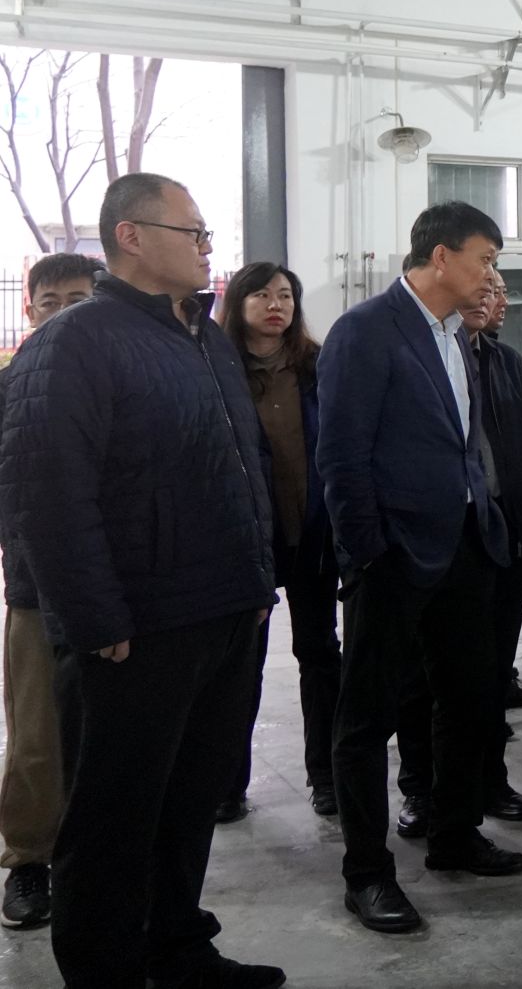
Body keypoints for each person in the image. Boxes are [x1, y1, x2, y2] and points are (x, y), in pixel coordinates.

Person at [0, 174, 282, 986]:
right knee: (113, 820)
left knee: (188, 801)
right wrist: (94, 618)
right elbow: (46, 494)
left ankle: (177, 948)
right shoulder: (74, 341)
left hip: (222, 609)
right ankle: (106, 970)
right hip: (137, 628)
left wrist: (257, 582)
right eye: (193, 231)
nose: (206, 247)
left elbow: (242, 466)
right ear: (130, 235)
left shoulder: (205, 337)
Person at [321, 201, 522, 934]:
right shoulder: (365, 331)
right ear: (441, 257)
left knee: (469, 699)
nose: (491, 275)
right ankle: (367, 873)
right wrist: (368, 552)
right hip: (393, 556)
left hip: (465, 547)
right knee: (368, 717)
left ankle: (454, 835)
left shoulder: (456, 334)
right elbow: (342, 456)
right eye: (484, 258)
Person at [394, 268, 522, 830]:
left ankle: (489, 781)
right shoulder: (422, 357)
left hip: (505, 535)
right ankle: (420, 788)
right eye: (480, 285)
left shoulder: (507, 362)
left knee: (492, 670)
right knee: (425, 676)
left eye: (497, 290)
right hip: (444, 539)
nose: (488, 297)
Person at [219, 262, 339, 825]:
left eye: (286, 295)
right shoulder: (217, 369)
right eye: (263, 295)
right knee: (241, 665)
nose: (276, 305)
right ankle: (227, 784)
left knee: (320, 654)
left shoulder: (317, 366)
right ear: (239, 303)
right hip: (248, 542)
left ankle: (326, 776)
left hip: (312, 533)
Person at [0, 252, 98, 933]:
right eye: (50, 301)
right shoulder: (9, 386)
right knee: (37, 736)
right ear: (29, 308)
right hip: (36, 590)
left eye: (78, 300)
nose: (63, 313)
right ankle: (29, 859)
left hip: (117, 589)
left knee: (110, 733)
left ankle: (97, 859)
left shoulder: (121, 377)